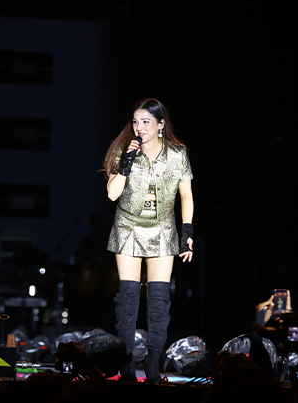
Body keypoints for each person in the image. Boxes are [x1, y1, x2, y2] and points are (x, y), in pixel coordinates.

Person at [102, 98, 194, 383]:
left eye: (145, 122)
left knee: (159, 298)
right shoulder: (124, 150)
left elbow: (186, 196)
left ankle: (153, 362)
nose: (139, 127)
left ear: (160, 125)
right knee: (128, 296)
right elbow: (112, 194)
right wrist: (127, 163)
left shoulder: (178, 154)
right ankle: (127, 362)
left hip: (162, 227)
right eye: (135, 121)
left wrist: (187, 233)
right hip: (129, 224)